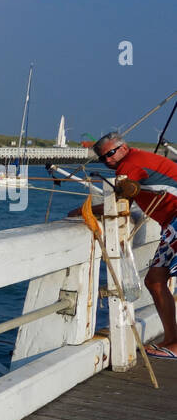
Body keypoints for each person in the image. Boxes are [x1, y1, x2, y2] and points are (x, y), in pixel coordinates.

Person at [73, 133, 177, 358]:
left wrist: (84, 211)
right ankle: (172, 340)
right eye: (103, 158)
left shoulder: (130, 165)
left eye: (111, 154)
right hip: (171, 224)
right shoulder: (137, 159)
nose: (109, 161)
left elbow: (118, 206)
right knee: (155, 280)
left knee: (156, 280)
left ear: (124, 147)